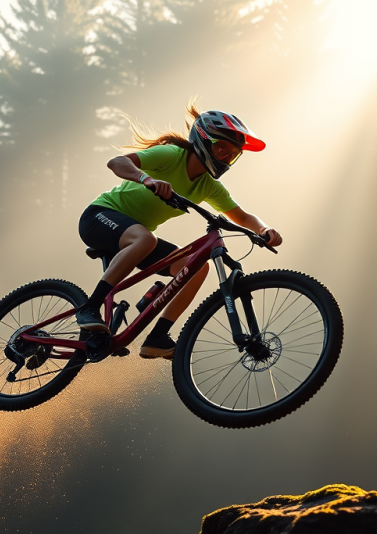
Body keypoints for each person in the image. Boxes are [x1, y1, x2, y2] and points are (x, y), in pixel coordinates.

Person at [76, 103, 283, 359]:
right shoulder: (172, 155)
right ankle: (89, 307)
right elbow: (116, 162)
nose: (226, 158)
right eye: (221, 149)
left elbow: (241, 216)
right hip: (99, 217)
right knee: (145, 238)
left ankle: (157, 337)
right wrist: (147, 179)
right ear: (204, 141)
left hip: (137, 240)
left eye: (232, 154)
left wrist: (264, 229)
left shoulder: (209, 186)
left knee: (197, 267)